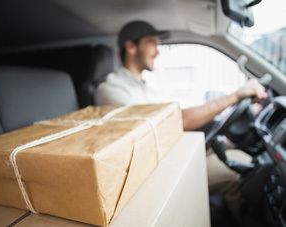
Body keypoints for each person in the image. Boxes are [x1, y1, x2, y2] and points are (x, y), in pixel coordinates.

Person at [94, 20, 268, 219]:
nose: (157, 51)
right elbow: (175, 120)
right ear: (131, 46)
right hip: (157, 173)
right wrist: (235, 96)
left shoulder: (147, 86)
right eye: (152, 43)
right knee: (241, 166)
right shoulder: (111, 90)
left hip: (175, 154)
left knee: (235, 151)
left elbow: (176, 115)